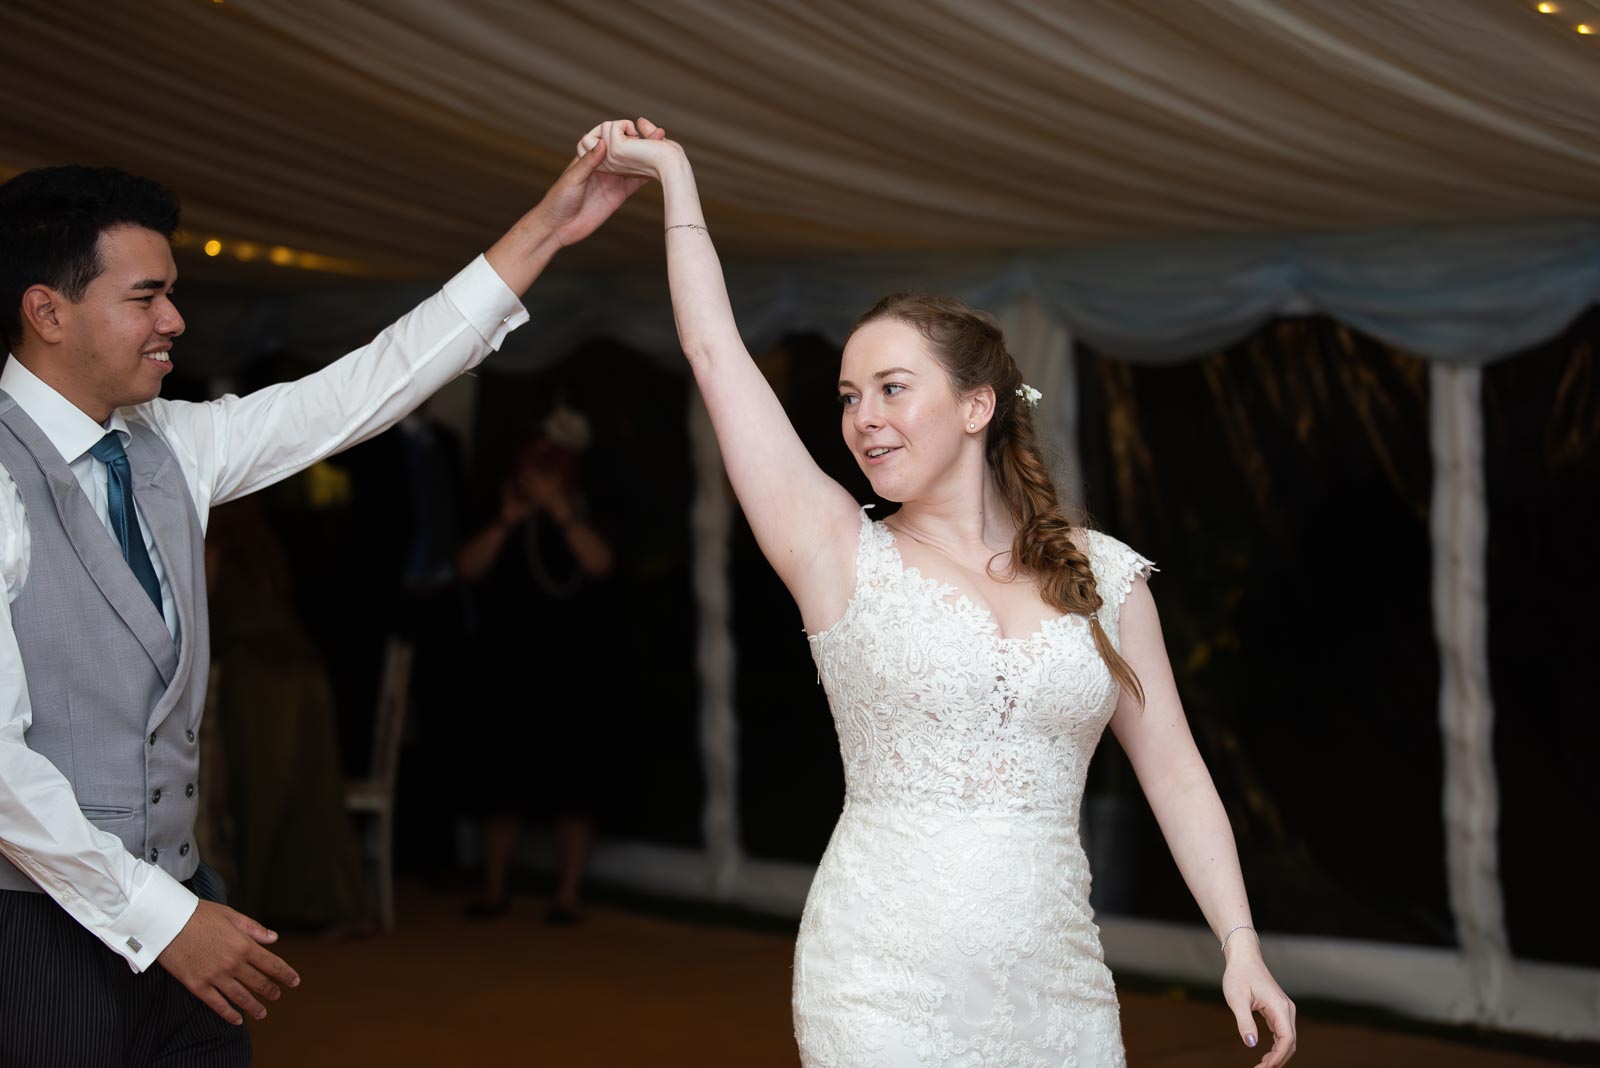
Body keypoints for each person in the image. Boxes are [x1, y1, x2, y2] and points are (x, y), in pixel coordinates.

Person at [589, 119, 1298, 1068]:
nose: (862, 418)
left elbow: (1172, 767)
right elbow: (717, 356)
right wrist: (676, 181)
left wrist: (1240, 943)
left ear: (977, 406)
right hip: (880, 981)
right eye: (847, 396)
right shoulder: (838, 553)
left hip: (1058, 985)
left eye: (889, 387)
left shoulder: (1106, 577)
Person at [0, 121, 661, 1066]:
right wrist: (165, 920)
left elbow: (367, 387)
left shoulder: (175, 444)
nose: (175, 321)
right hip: (37, 933)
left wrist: (548, 229)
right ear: (46, 311)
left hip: (189, 909)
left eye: (174, 294)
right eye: (146, 297)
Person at [457, 410, 615, 923]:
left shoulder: (586, 507)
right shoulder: (500, 509)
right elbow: (467, 568)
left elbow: (600, 563)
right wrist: (509, 519)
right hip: (507, 664)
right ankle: (493, 889)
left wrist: (560, 512)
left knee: (571, 782)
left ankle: (567, 895)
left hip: (572, 671)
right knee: (500, 778)